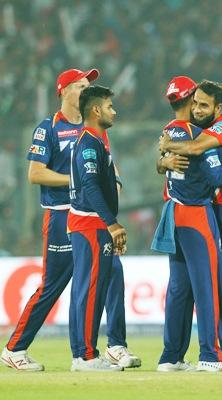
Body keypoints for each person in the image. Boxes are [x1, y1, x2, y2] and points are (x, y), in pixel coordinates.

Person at [1, 69, 139, 372]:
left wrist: (111, 194)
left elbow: (110, 172)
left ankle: (113, 346)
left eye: (88, 86)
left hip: (92, 215)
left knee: (111, 274)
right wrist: (78, 180)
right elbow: (35, 173)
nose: (86, 90)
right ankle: (15, 348)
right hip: (61, 215)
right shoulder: (48, 128)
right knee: (56, 285)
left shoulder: (96, 129)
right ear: (64, 91)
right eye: (80, 86)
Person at [153, 76, 222, 372]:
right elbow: (215, 177)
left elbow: (164, 159)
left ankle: (170, 357)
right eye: (194, 102)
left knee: (179, 288)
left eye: (203, 104)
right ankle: (211, 355)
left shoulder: (169, 131)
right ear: (188, 100)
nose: (198, 108)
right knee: (209, 287)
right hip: (199, 214)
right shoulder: (196, 135)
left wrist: (163, 158)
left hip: (174, 213)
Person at [67, 85, 126, 371]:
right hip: (90, 225)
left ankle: (83, 352)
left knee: (89, 288)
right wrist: (112, 224)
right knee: (92, 289)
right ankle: (86, 356)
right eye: (110, 106)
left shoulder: (96, 141)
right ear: (95, 110)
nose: (114, 111)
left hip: (90, 225)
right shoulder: (90, 143)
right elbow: (90, 186)